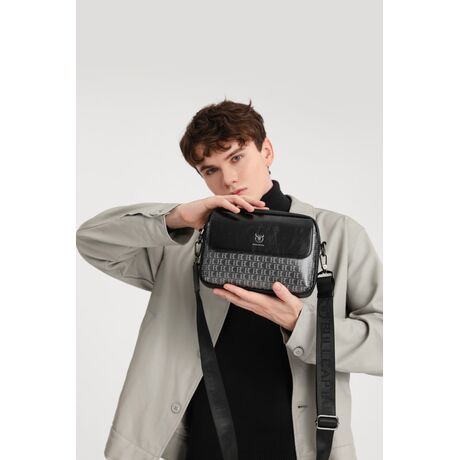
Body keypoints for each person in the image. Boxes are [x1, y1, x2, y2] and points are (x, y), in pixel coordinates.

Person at [76, 100, 383, 460]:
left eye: (237, 157)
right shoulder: (184, 240)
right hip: (201, 444)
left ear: (266, 151)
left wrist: (301, 324)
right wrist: (177, 217)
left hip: (301, 446)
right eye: (210, 170)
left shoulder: (338, 234)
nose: (228, 179)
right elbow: (92, 240)